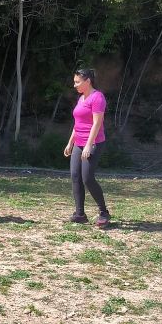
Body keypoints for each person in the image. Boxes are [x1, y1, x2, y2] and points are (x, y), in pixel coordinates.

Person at [63, 68, 110, 228]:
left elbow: (97, 123)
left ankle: (104, 212)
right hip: (79, 142)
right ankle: (80, 214)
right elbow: (78, 124)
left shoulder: (98, 97)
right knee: (75, 176)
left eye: (77, 82)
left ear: (88, 81)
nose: (74, 85)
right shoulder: (81, 98)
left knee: (87, 178)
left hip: (94, 142)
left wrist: (89, 145)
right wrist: (71, 142)